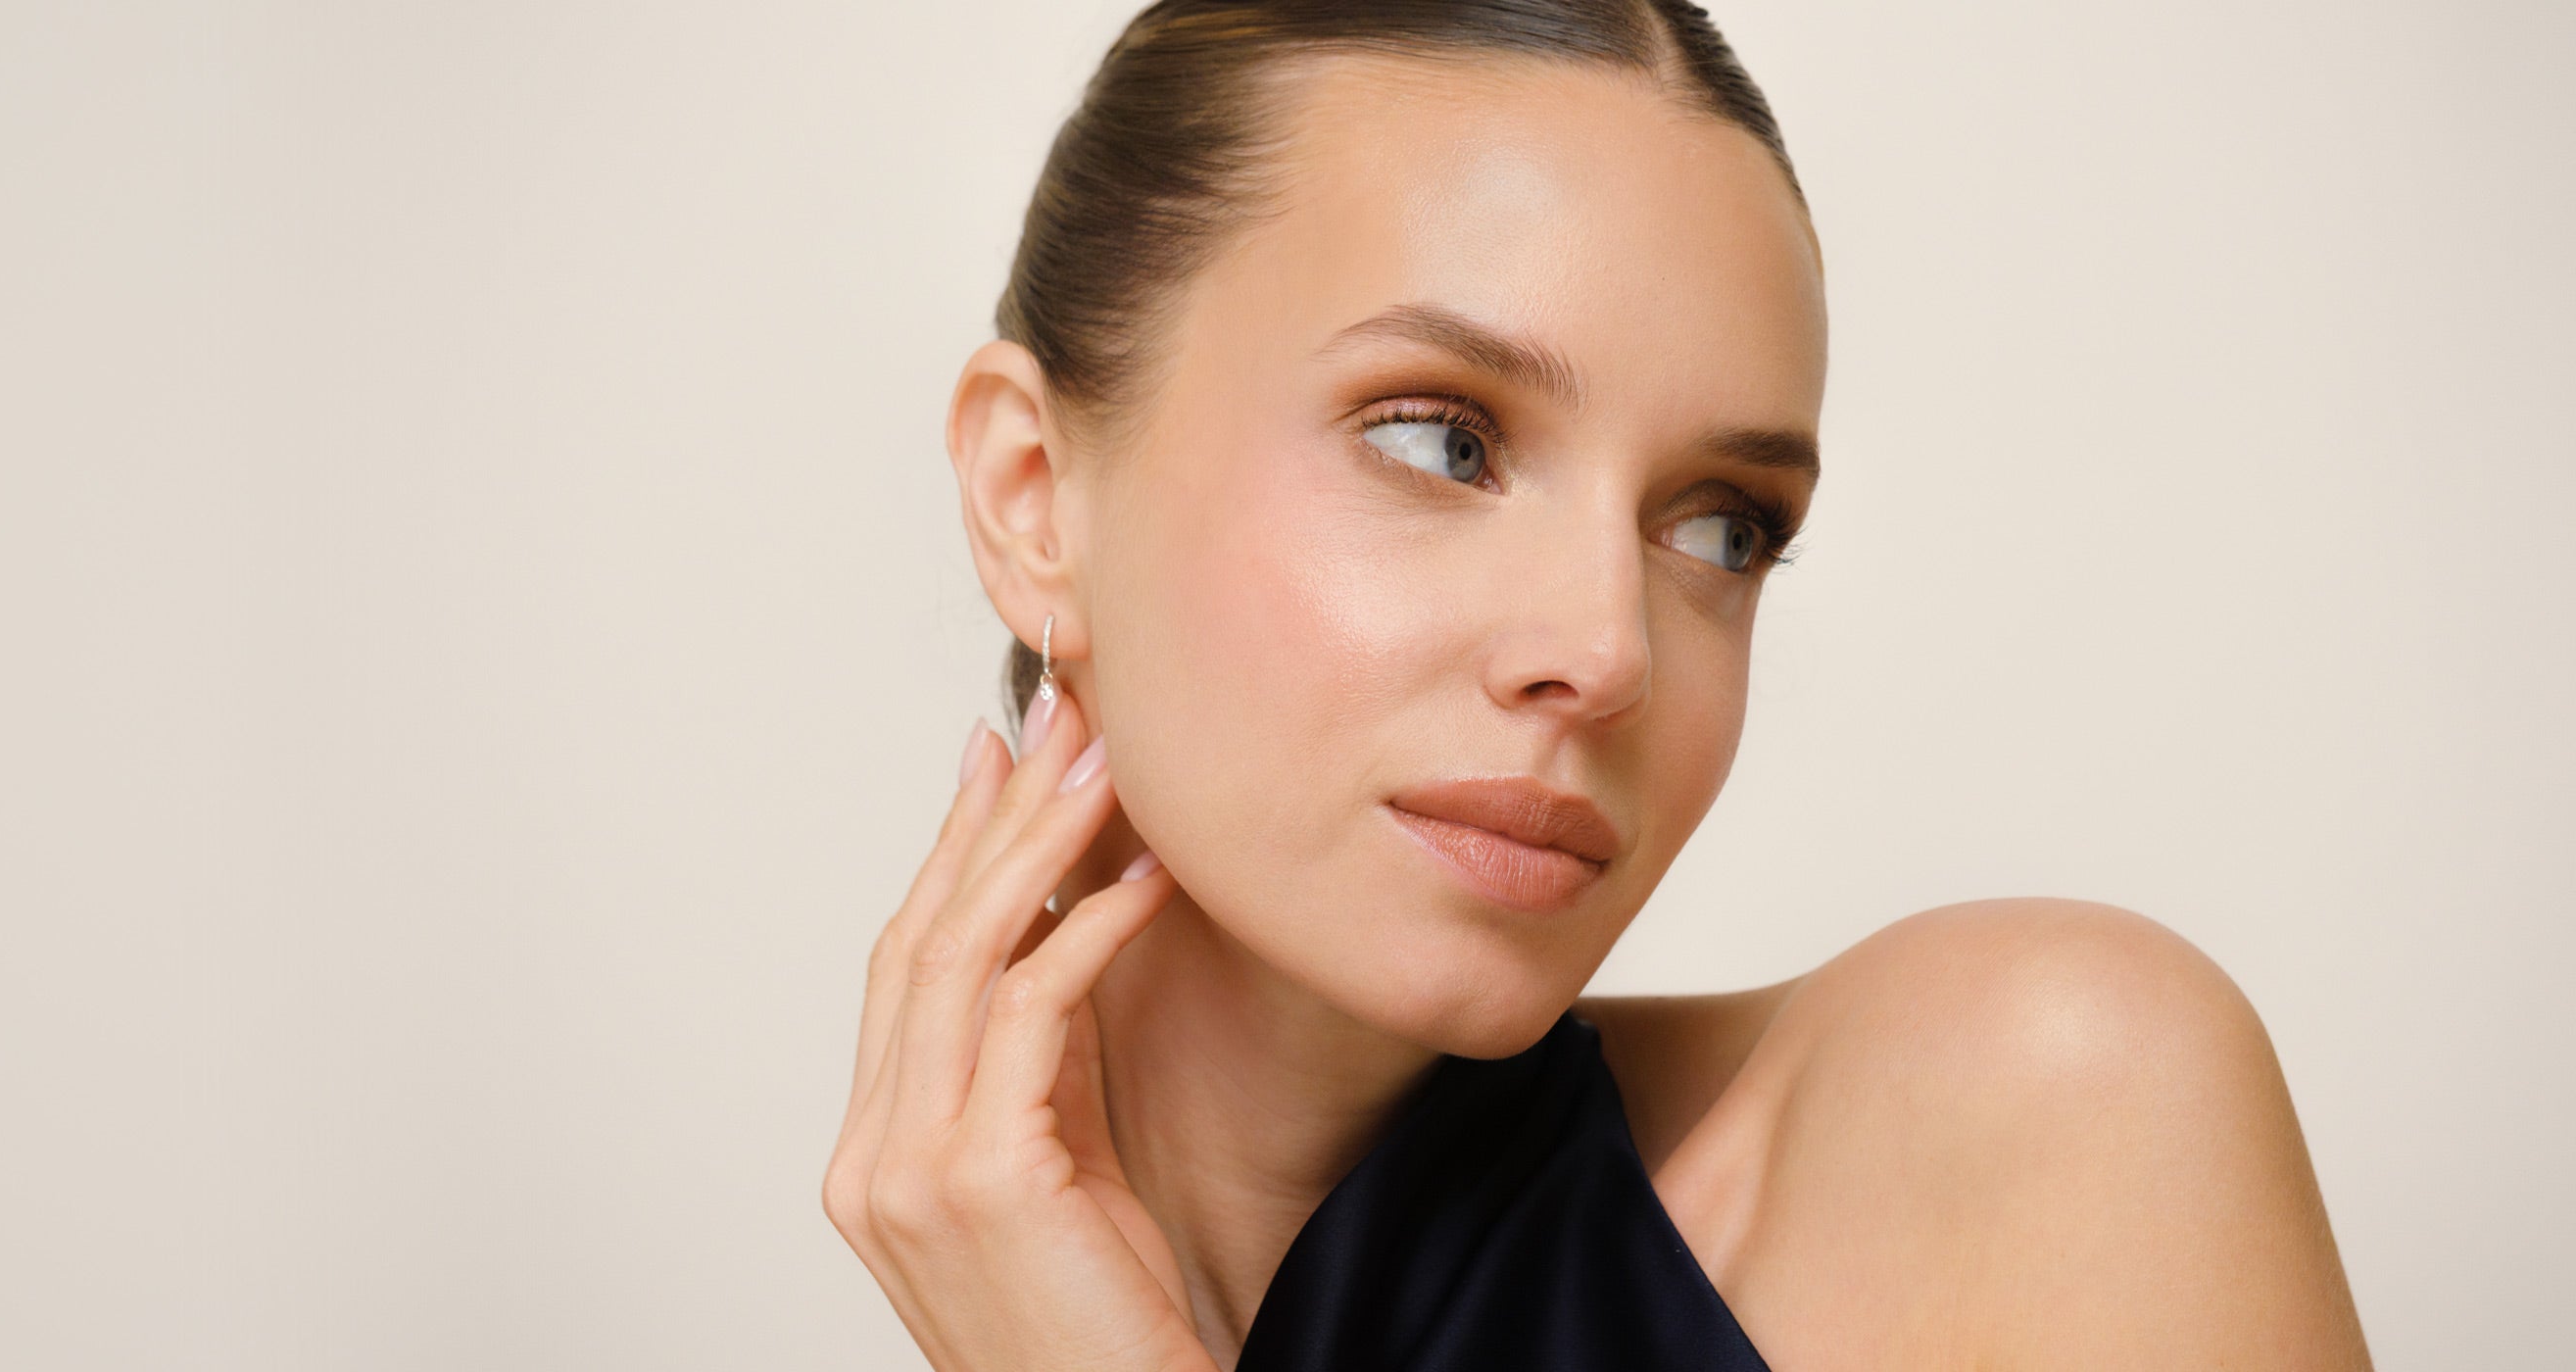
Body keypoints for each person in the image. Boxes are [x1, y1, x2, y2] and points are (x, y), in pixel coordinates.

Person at [819, 3, 2370, 1368]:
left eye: (1721, 528)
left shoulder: (2053, 1118)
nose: (1613, 651)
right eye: (1444, 441)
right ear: (1034, 498)